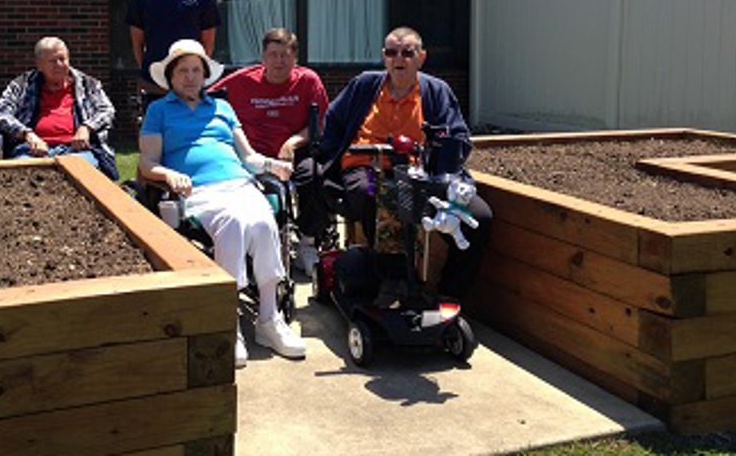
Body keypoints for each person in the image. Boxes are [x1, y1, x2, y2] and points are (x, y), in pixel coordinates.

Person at [138, 39, 306, 368]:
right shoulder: (159, 110)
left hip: (238, 182)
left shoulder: (222, 108)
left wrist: (273, 165)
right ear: (171, 76)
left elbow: (248, 157)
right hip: (197, 190)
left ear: (204, 75)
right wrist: (168, 174)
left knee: (262, 220)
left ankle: (269, 320)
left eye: (196, 70)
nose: (189, 77)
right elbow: (146, 163)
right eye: (183, 71)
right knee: (232, 221)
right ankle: (229, 324)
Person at [312, 26, 491, 301]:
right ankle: (393, 280)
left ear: (421, 57)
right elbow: (333, 122)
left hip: (422, 173)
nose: (400, 58)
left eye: (408, 53)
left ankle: (450, 293)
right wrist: (335, 154)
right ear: (384, 57)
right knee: (374, 197)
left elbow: (459, 138)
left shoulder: (436, 91)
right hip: (367, 168)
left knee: (480, 217)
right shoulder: (365, 85)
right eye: (392, 52)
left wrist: (438, 164)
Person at [209, 27, 329, 275]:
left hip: (295, 153)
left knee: (314, 175)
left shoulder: (308, 81)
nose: (279, 61)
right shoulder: (241, 81)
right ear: (263, 57)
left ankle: (307, 242)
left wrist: (294, 141)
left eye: (285, 55)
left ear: (295, 59)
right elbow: (205, 99)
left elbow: (320, 123)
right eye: (273, 55)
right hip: (253, 155)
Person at [0, 36, 118, 180]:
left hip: (76, 151)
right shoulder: (22, 86)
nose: (59, 65)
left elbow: (107, 110)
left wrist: (87, 127)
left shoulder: (88, 85)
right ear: (39, 65)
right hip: (31, 151)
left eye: (62, 59)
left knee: (83, 177)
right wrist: (27, 134)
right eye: (52, 61)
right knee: (23, 179)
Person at [125, 0, 221, 108]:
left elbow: (208, 44)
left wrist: (194, 76)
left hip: (190, 87)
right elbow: (137, 44)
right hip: (153, 88)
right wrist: (154, 75)